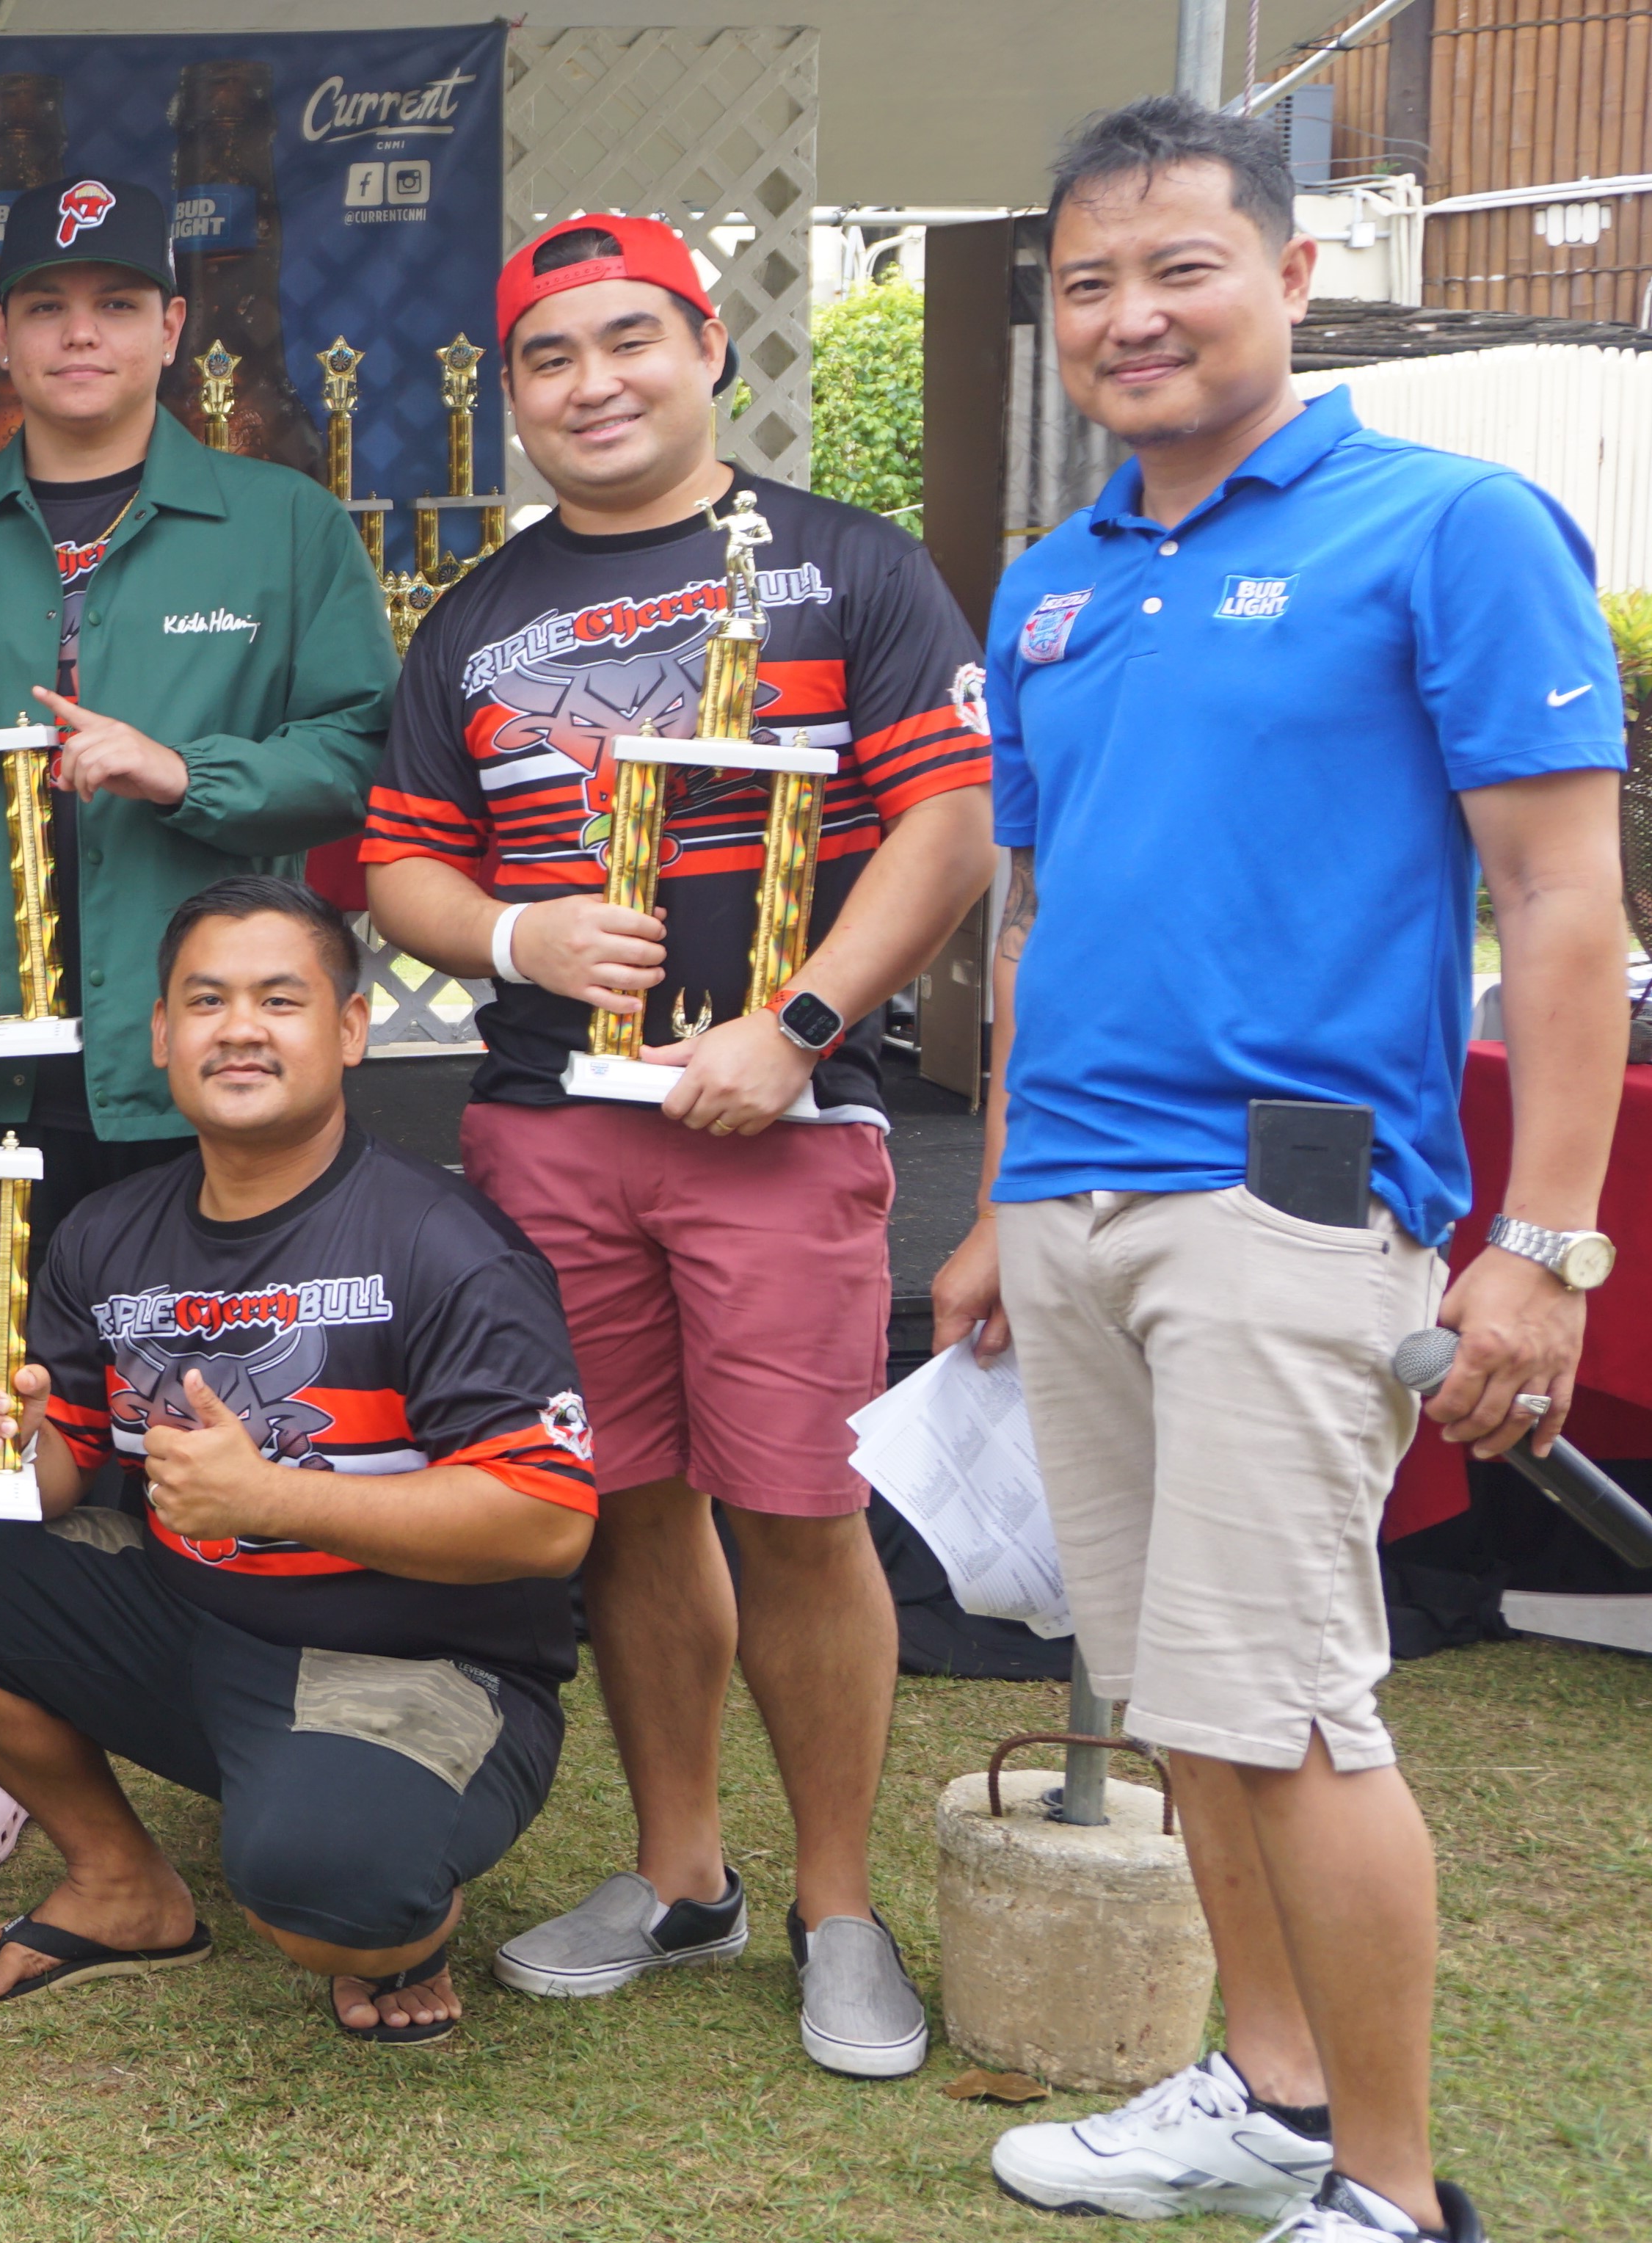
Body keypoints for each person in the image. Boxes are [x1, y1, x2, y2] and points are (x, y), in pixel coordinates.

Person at [937, 98, 1626, 2243]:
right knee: (1182, 1701)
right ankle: (1262, 2086)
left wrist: (1542, 1246)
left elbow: (1565, 909)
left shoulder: (1444, 525)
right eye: (1084, 288)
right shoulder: (1051, 587)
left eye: (1178, 270)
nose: (1128, 318)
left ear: (1290, 275)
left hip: (1289, 1206)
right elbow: (1041, 924)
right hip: (1074, 1207)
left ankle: (1394, 2193)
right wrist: (991, 1194)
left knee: (1301, 1710)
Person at [357, 212, 993, 2076]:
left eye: (628, 339)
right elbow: (402, 854)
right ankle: (681, 1873)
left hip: (783, 1131)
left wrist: (796, 1033)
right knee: (623, 1504)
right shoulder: (476, 613)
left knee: (796, 1509)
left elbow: (946, 832)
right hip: (556, 1127)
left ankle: (839, 1907)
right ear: (513, 398)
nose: (591, 383)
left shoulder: (846, 568)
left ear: (709, 349)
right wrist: (514, 935)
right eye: (548, 358)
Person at [0, 178, 393, 1864]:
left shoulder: (277, 524)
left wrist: (188, 771)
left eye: (116, 304)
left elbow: (358, 742)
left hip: (202, 1046)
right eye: (46, 305)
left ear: (172, 332)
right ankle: (0, 1707)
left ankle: (252, 1661)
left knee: (225, 1372)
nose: (79, 333)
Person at [0, 876, 594, 2043]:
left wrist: (270, 1497)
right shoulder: (109, 1234)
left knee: (330, 1905)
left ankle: (382, 1890)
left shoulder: (445, 1245)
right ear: (161, 1036)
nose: (240, 1028)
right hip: (196, 1624)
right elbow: (61, 1462)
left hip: (417, 1666)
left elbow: (546, 1521)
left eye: (280, 999)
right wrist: (1, 1438)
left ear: (351, 1031)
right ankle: (120, 1884)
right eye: (205, 1001)